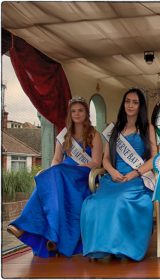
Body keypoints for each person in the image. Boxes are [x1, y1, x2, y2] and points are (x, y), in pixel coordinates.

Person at [7, 96, 102, 257]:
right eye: (73, 111)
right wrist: (53, 171)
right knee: (52, 175)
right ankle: (50, 237)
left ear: (86, 113)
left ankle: (25, 225)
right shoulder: (64, 135)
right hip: (63, 174)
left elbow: (96, 162)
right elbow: (57, 159)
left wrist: (81, 166)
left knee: (55, 174)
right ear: (69, 114)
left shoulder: (94, 134)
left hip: (82, 174)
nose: (77, 114)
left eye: (80, 110)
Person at [80, 88, 157, 262]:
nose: (130, 105)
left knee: (120, 200)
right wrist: (112, 171)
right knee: (93, 203)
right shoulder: (114, 129)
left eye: (135, 102)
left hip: (137, 178)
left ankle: (121, 248)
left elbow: (154, 158)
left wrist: (135, 173)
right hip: (114, 178)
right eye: (127, 101)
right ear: (123, 104)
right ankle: (103, 248)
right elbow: (106, 158)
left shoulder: (147, 128)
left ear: (140, 106)